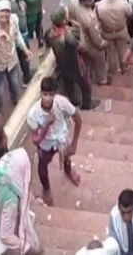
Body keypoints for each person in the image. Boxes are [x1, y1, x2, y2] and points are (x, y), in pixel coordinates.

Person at [27, 77, 83, 205]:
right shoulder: (33, 114)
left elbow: (78, 119)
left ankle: (68, 170)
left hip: (61, 138)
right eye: (45, 94)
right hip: (45, 143)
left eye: (50, 95)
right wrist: (47, 125)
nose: (47, 98)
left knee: (67, 156)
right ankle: (46, 188)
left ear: (55, 94)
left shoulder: (62, 103)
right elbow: (35, 140)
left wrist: (74, 143)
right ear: (40, 94)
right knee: (42, 165)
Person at [0, 148, 40, 255]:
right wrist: (24, 246)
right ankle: (25, 248)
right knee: (9, 234)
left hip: (0, 209)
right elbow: (5, 236)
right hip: (8, 210)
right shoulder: (12, 199)